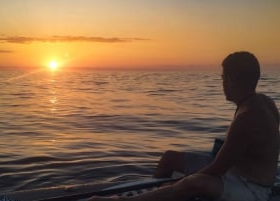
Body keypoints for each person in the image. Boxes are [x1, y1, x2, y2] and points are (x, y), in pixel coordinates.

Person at [89, 51, 280, 201]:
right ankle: (157, 195)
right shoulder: (263, 101)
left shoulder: (247, 118)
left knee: (194, 183)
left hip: (252, 190)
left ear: (230, 80)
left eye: (223, 78)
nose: (222, 83)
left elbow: (216, 170)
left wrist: (179, 184)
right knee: (169, 159)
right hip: (235, 172)